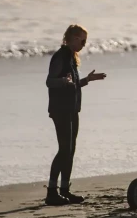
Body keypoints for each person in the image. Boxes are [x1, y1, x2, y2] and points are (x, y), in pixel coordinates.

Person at [44, 24, 106, 206]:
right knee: (64, 149)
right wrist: (62, 81)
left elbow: (74, 84)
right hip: (60, 109)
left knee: (70, 150)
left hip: (72, 109)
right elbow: (49, 81)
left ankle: (64, 190)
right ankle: (51, 192)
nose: (84, 44)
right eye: (82, 40)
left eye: (86, 41)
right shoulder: (60, 56)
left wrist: (87, 80)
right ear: (70, 38)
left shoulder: (71, 57)